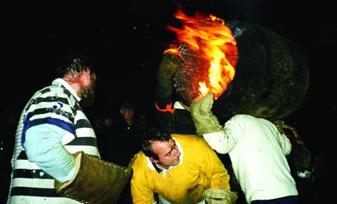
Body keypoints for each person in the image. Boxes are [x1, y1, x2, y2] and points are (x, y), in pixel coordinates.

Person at [7, 53, 131, 204]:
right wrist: (90, 184)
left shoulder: (60, 98)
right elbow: (41, 147)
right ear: (85, 73)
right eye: (93, 78)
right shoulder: (56, 94)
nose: (94, 84)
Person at [190, 93, 299, 204]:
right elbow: (287, 148)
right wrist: (279, 131)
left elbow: (221, 144)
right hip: (290, 192)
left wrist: (201, 115)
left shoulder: (239, 120)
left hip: (265, 196)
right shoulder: (268, 124)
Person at [130, 127, 237, 204]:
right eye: (169, 153)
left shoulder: (197, 145)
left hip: (201, 197)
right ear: (153, 159)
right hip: (168, 201)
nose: (177, 152)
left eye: (174, 145)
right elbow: (142, 201)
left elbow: (218, 175)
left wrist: (219, 197)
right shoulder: (139, 169)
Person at [98, 100, 143, 204]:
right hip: (117, 168)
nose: (130, 113)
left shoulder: (136, 128)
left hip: (132, 168)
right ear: (121, 111)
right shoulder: (114, 127)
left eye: (132, 111)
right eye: (127, 110)